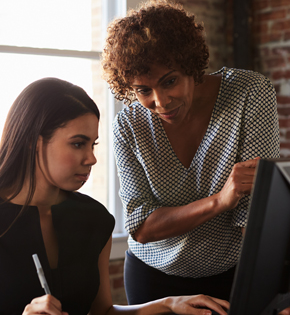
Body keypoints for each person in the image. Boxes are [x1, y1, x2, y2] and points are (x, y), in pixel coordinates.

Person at [101, 0, 280, 304]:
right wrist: (220, 200)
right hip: (152, 280)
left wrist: (266, 294)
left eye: (169, 81)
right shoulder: (127, 126)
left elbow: (255, 211)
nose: (161, 101)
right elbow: (141, 226)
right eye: (144, 90)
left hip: (233, 274)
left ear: (191, 65)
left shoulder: (249, 93)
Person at [0, 77, 230, 315]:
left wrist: (167, 304)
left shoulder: (95, 219)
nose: (91, 159)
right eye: (78, 144)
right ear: (32, 142)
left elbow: (104, 312)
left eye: (93, 145)